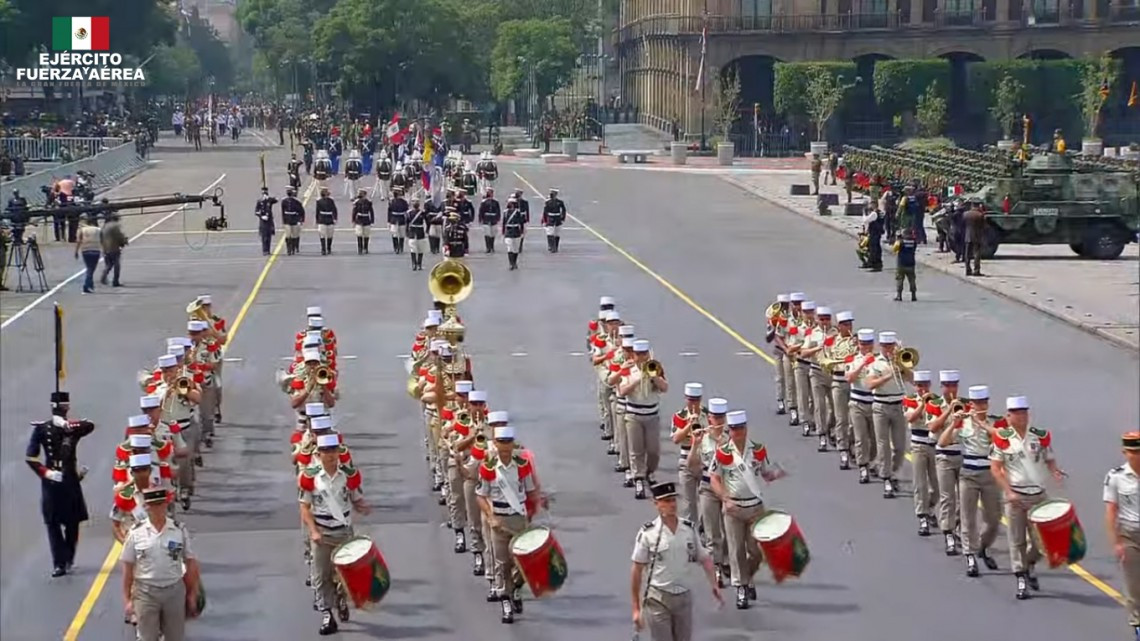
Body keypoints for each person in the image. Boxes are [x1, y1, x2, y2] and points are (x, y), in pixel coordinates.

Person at [990, 395, 1065, 600]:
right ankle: (1021, 577)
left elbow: (1049, 458)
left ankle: (1030, 563)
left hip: (1038, 496)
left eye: (1024, 413)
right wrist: (1008, 491)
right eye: (1017, 414)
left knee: (1043, 543)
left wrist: (1055, 471)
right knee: (1017, 540)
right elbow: (995, 468)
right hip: (1016, 496)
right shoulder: (1003, 438)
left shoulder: (1038, 436)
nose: (1022, 417)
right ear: (1009, 416)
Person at [708, 410, 785, 609]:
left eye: (740, 428)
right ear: (729, 431)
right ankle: (741, 587)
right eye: (733, 429)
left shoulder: (758, 450)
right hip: (734, 508)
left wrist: (775, 475)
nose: (737, 432)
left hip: (755, 508)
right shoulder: (723, 452)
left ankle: (747, 576)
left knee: (757, 551)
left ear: (746, 428)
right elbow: (714, 479)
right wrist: (725, 498)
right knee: (736, 550)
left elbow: (765, 473)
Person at [630, 482, 722, 641]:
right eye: (666, 501)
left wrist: (714, 584)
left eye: (673, 500)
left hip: (683, 597)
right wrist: (636, 609)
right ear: (656, 504)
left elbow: (704, 558)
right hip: (658, 598)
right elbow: (637, 570)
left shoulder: (688, 529)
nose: (672, 505)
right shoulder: (648, 533)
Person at [299, 432, 369, 635]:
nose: (330, 455)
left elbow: (355, 498)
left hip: (344, 532)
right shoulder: (310, 477)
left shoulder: (348, 474)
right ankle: (327, 615)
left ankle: (341, 598)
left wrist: (361, 506)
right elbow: (304, 507)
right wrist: (313, 531)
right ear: (318, 454)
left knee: (346, 576)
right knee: (321, 576)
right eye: (325, 451)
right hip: (322, 533)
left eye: (333, 451)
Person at [475, 424, 539, 624]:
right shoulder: (488, 466)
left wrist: (533, 512)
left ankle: (517, 588)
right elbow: (480, 495)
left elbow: (530, 491)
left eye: (507, 442)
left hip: (518, 517)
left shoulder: (522, 464)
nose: (504, 446)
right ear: (494, 443)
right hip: (499, 518)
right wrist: (490, 516)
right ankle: (506, 601)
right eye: (500, 442)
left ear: (513, 444)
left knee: (522, 562)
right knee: (502, 563)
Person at [26, 391, 94, 576]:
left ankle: (69, 556)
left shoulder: (71, 429)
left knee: (72, 522)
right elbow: (30, 457)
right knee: (52, 522)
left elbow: (90, 426)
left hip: (69, 478)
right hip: (51, 480)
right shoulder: (41, 429)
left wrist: (67, 425)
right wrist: (46, 473)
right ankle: (59, 563)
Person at [120, 488, 202, 641]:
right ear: (146, 507)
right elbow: (128, 567)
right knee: (147, 637)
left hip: (174, 591)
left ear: (166, 505)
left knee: (175, 637)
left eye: (160, 504)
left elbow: (190, 562)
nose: (157, 509)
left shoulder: (178, 530)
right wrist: (127, 600)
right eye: (153, 505)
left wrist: (192, 593)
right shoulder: (136, 533)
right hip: (145, 593)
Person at [938, 385, 1001, 578]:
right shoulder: (962, 424)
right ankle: (970, 555)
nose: (981, 406)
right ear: (971, 405)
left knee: (993, 520)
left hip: (989, 476)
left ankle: (982, 546)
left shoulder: (995, 423)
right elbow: (942, 442)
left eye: (984, 402)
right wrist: (953, 424)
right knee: (968, 517)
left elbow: (1000, 439)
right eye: (977, 403)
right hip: (969, 475)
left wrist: (981, 424)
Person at [620, 339, 669, 499]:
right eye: (638, 354)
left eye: (644, 354)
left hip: (651, 414)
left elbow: (664, 388)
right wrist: (637, 379)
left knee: (653, 450)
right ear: (633, 355)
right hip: (634, 414)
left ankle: (650, 471)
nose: (641, 357)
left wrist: (653, 377)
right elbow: (622, 391)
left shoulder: (655, 367)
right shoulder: (628, 368)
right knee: (636, 449)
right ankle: (638, 478)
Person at [1105, 432, 1140, 637]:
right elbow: (1111, 511)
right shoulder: (1116, 477)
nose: (1136, 456)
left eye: (1139, 451)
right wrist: (1116, 542)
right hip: (1129, 534)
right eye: (1132, 452)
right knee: (1134, 584)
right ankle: (1137, 623)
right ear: (1124, 452)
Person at [904, 370, 939, 536]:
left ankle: (930, 507)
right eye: (919, 386)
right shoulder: (910, 400)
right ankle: (922, 516)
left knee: (937, 486)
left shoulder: (937, 401)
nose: (922, 389)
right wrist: (923, 404)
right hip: (918, 445)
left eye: (924, 385)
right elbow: (911, 418)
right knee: (920, 484)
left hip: (934, 444)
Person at [670, 383, 706, 526]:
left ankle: (704, 528)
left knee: (706, 501)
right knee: (688, 503)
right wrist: (688, 426)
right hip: (686, 461)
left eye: (696, 399)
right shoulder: (680, 416)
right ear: (685, 399)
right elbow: (676, 439)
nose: (693, 403)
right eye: (690, 399)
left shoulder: (708, 415)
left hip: (704, 461)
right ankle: (692, 533)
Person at [75, 214, 102, 293]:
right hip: (96, 250)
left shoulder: (82, 230)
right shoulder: (98, 230)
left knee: (89, 268)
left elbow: (79, 241)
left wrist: (76, 251)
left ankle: (90, 284)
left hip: (85, 250)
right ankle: (87, 285)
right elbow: (102, 240)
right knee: (91, 268)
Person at [100, 212, 128, 287]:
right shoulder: (115, 226)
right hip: (113, 247)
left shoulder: (106, 225)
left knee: (109, 264)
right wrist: (124, 241)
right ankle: (115, 281)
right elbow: (119, 236)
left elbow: (101, 236)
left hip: (105, 247)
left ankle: (103, 277)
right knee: (116, 265)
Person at [893, 228, 918, 301]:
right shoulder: (914, 242)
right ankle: (913, 295)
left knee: (899, 279)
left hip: (901, 264)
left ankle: (899, 295)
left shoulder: (900, 242)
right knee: (912, 280)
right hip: (911, 263)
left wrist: (897, 239)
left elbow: (894, 249)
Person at [281, 185, 306, 255]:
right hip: (287, 220)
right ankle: (289, 249)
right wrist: (283, 220)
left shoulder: (297, 202)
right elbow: (283, 211)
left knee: (295, 235)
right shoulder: (284, 201)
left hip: (294, 219)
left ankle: (294, 247)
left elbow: (301, 211)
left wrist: (301, 220)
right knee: (288, 235)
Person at [964, 201, 986, 277]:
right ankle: (976, 270)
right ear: (978, 206)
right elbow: (983, 226)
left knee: (967, 254)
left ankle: (967, 269)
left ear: (972, 205)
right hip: (977, 236)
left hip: (967, 236)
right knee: (976, 254)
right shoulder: (980, 215)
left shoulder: (966, 214)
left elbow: (963, 225)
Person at [406, 197, 428, 271]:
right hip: (418, 233)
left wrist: (407, 233)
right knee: (418, 249)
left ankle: (415, 264)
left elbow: (406, 224)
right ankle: (417, 264)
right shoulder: (421, 213)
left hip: (415, 233)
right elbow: (427, 222)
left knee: (415, 249)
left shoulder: (410, 213)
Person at [541, 188, 566, 253]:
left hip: (557, 218)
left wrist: (563, 218)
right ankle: (551, 246)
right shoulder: (548, 202)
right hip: (550, 218)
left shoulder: (560, 202)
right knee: (550, 232)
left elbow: (563, 210)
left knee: (557, 233)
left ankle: (556, 246)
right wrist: (544, 220)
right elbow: (545, 212)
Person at [314, 187, 337, 255]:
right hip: (322, 219)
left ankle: (329, 248)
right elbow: (317, 211)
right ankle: (323, 249)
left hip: (329, 219)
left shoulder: (331, 201)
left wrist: (335, 218)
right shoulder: (319, 201)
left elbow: (334, 210)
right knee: (322, 234)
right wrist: (317, 220)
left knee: (330, 235)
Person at [351, 189, 375, 255]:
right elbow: (354, 212)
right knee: (359, 234)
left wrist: (372, 221)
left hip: (366, 219)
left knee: (366, 234)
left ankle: (365, 248)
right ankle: (360, 248)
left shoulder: (368, 202)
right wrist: (353, 220)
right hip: (359, 219)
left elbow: (371, 212)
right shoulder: (357, 202)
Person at [479, 188, 502, 254]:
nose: (490, 194)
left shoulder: (495, 202)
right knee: (487, 234)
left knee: (493, 234)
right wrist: (481, 219)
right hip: (486, 219)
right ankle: (488, 248)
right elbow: (481, 211)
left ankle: (492, 247)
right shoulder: (484, 202)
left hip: (493, 219)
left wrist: (498, 218)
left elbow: (498, 211)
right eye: (488, 193)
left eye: (491, 193)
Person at [256, 187, 277, 256]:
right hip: (263, 221)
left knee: (269, 236)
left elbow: (276, 200)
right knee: (264, 237)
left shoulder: (269, 200)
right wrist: (261, 216)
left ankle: (268, 250)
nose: (264, 194)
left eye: (265, 192)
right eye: (263, 193)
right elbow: (256, 212)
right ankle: (264, 250)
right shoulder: (259, 201)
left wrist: (268, 198)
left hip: (269, 221)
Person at [387, 186, 409, 254]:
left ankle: (400, 247)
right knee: (395, 234)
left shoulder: (404, 202)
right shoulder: (391, 202)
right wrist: (389, 221)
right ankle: (396, 247)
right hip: (394, 219)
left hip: (401, 219)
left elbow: (406, 211)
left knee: (401, 234)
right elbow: (389, 212)